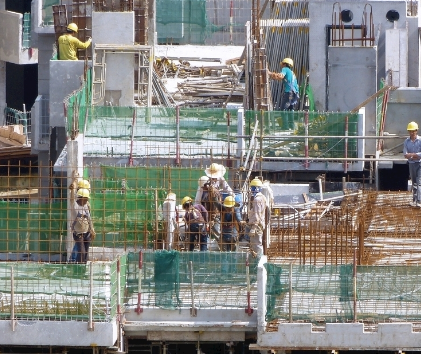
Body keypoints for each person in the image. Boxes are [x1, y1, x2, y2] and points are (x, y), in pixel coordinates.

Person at [69, 179, 96, 262]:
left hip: (86, 233)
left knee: (85, 254)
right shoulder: (75, 205)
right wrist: (72, 189)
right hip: (78, 234)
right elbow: (72, 198)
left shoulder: (86, 205)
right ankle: (77, 269)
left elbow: (89, 218)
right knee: (82, 253)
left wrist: (92, 229)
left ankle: (83, 269)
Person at [244, 177, 267, 256]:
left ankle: (258, 261)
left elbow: (257, 214)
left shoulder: (256, 199)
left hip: (256, 225)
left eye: (252, 188)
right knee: (257, 244)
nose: (251, 189)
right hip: (260, 224)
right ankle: (258, 260)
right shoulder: (263, 197)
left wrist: (253, 228)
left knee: (256, 245)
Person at [404, 121, 421, 207]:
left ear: (416, 131)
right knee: (414, 182)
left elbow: (420, 155)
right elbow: (405, 154)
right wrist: (416, 155)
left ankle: (419, 201)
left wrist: (412, 155)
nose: (411, 132)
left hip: (419, 164)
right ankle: (414, 201)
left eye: (413, 131)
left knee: (419, 183)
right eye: (410, 131)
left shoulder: (420, 140)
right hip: (411, 164)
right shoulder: (407, 141)